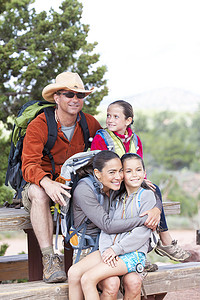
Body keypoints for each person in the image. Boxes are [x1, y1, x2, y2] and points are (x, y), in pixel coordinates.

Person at [21, 71, 102, 283]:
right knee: (39, 194)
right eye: (69, 94)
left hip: (71, 183)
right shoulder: (39, 125)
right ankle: (49, 259)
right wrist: (48, 183)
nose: (75, 100)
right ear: (57, 97)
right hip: (39, 182)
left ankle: (113, 251)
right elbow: (28, 165)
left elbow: (106, 153)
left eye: (80, 96)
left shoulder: (89, 123)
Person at [91, 100, 190, 263]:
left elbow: (139, 165)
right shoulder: (101, 138)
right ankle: (164, 240)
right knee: (143, 201)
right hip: (112, 184)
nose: (110, 120)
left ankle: (145, 250)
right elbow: (98, 165)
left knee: (151, 188)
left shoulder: (135, 140)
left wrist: (142, 179)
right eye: (108, 115)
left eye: (116, 116)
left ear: (128, 120)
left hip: (129, 182)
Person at [68, 150, 162, 299]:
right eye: (127, 171)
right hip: (105, 247)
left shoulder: (131, 192)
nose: (118, 176)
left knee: (88, 278)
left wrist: (157, 208)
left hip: (131, 252)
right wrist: (109, 250)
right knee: (74, 272)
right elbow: (108, 226)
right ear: (98, 174)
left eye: (120, 171)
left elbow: (151, 193)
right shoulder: (117, 196)